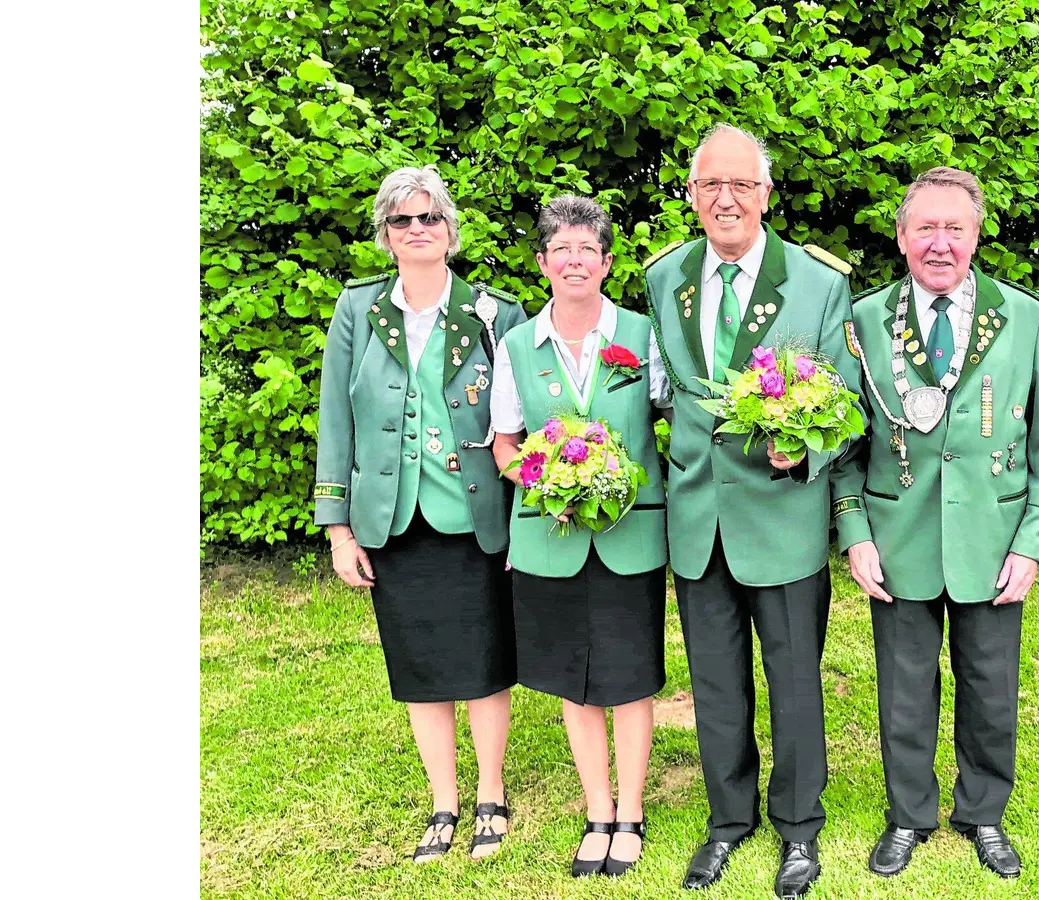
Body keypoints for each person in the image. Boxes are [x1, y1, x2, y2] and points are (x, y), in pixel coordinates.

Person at [641, 123, 863, 899]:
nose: (726, 198)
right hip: (699, 518)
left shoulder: (816, 281)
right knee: (716, 684)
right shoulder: (665, 277)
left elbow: (845, 402)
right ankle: (727, 822)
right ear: (693, 195)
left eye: (742, 184)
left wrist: (804, 450)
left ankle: (799, 828)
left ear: (767, 194)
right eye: (710, 185)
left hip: (782, 517)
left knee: (795, 680)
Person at [832, 167, 1039, 880]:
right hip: (897, 537)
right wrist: (854, 529)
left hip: (992, 540)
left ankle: (983, 813)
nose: (939, 243)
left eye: (953, 228)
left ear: (975, 234)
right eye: (924, 228)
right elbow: (843, 440)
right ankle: (909, 815)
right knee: (903, 690)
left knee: (991, 686)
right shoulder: (865, 321)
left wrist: (1033, 539)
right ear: (900, 238)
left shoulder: (1023, 316)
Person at [312, 166, 527, 862]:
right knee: (422, 665)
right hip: (393, 517)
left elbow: (521, 420)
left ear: (449, 231)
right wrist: (339, 528)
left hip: (476, 514)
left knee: (487, 662)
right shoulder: (358, 310)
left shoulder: (495, 312)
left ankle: (491, 796)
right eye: (401, 220)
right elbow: (336, 419)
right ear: (385, 234)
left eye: (428, 218)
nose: (416, 230)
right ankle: (444, 803)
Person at [489, 195, 672, 878]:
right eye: (560, 250)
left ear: (606, 261)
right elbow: (506, 444)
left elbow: (671, 420)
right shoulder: (516, 347)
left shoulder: (643, 336)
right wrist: (544, 482)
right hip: (552, 539)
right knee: (575, 678)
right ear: (542, 263)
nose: (573, 261)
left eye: (586, 250)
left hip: (631, 535)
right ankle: (597, 809)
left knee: (628, 677)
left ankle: (632, 812)